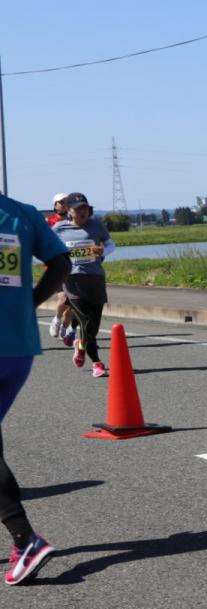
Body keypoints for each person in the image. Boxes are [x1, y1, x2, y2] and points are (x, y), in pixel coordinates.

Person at [2, 190, 72, 585]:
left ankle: (25, 540)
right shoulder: (24, 215)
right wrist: (27, 302)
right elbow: (61, 264)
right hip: (18, 347)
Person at [53, 193, 115, 378]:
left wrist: (103, 250)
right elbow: (48, 248)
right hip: (72, 281)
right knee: (85, 322)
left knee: (93, 326)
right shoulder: (59, 229)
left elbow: (111, 245)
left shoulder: (96, 225)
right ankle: (97, 362)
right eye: (78, 208)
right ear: (69, 210)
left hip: (95, 279)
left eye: (85, 208)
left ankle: (81, 344)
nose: (82, 212)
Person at [46, 193, 73, 338]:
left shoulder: (73, 221)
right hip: (56, 267)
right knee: (64, 298)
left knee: (73, 304)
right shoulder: (49, 222)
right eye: (60, 202)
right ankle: (57, 319)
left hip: (74, 267)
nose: (63, 204)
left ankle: (65, 325)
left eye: (66, 202)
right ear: (55, 205)